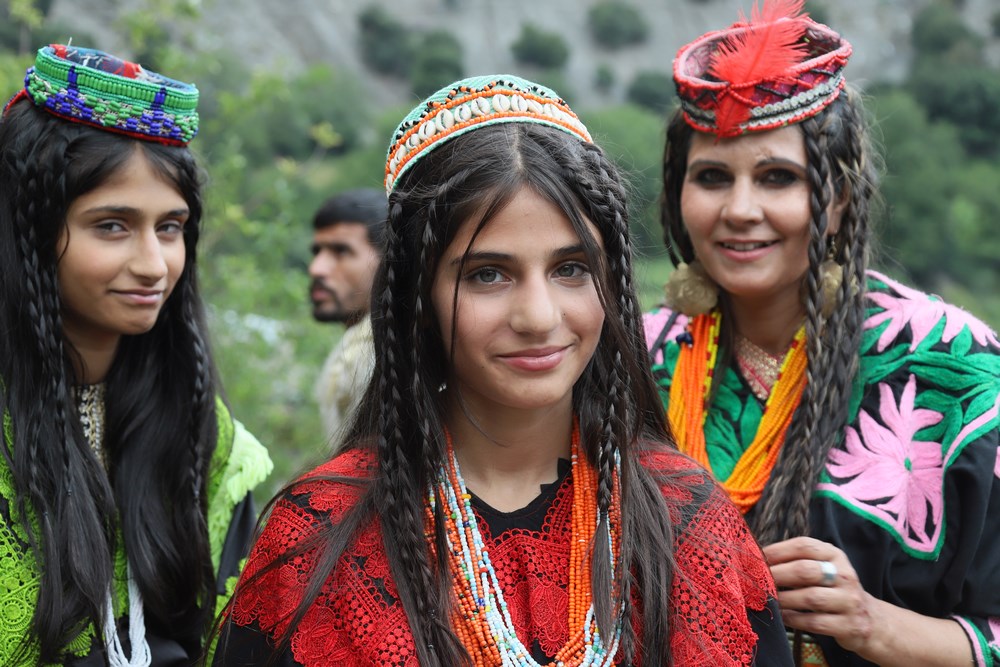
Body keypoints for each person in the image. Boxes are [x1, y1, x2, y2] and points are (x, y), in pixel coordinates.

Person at [213, 75, 794, 666]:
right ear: (420, 295)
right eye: (488, 274)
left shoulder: (687, 522)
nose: (539, 317)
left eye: (571, 268)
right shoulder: (319, 538)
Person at [643, 2, 1000, 665]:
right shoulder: (637, 362)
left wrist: (874, 625)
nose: (739, 210)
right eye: (712, 177)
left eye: (777, 177)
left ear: (836, 199)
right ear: (678, 195)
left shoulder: (955, 369)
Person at [0, 44, 273, 665]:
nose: (154, 265)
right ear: (30, 231)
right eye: (112, 226)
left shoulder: (214, 446)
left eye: (170, 227)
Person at [308, 188, 385, 443]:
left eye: (340, 251)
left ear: (388, 260)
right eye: (317, 252)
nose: (316, 268)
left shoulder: (383, 355)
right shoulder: (358, 345)